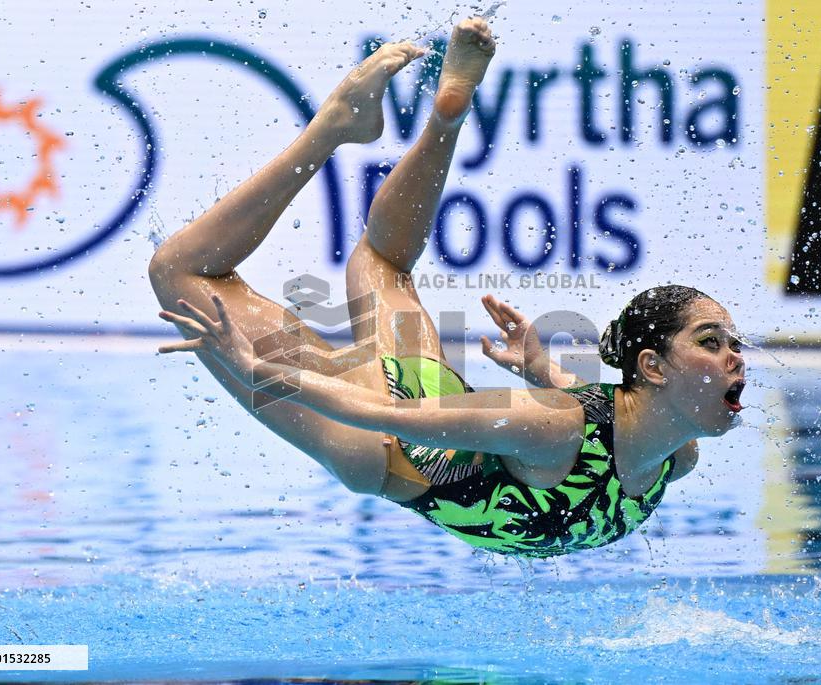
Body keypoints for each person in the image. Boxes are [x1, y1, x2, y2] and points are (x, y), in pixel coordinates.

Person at [149, 18, 748, 558]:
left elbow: (599, 418)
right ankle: (334, 127)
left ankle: (440, 118)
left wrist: (546, 375)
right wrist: (257, 368)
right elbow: (388, 414)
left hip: (426, 401)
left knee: (383, 261)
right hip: (377, 443)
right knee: (179, 276)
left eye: (733, 343)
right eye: (713, 341)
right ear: (653, 365)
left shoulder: (675, 452)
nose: (736, 359)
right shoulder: (560, 425)